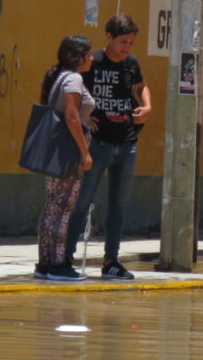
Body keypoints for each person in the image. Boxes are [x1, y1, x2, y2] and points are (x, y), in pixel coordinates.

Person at [65, 14, 152, 280]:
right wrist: (82, 116)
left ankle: (111, 261)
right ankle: (66, 258)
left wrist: (147, 106)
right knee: (82, 203)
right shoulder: (93, 62)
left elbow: (142, 86)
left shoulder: (132, 63)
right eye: (123, 41)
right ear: (109, 37)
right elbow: (72, 90)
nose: (127, 47)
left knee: (119, 205)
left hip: (126, 143)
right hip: (97, 144)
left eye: (131, 42)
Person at [35, 36, 95, 281]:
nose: (92, 58)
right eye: (88, 54)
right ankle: (58, 265)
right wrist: (85, 152)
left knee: (52, 207)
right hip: (68, 153)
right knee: (64, 208)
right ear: (77, 57)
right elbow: (71, 117)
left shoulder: (58, 76)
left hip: (54, 152)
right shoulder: (73, 78)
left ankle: (45, 264)